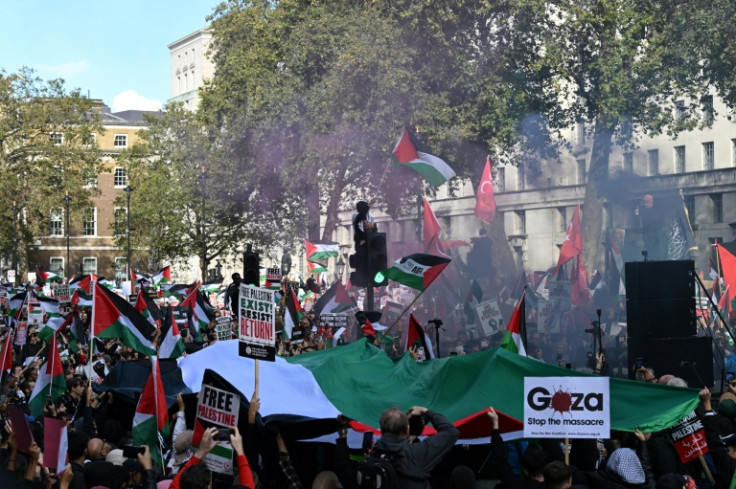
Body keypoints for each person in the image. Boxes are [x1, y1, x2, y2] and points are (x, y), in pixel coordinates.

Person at [368, 405, 459, 488]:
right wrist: (425, 411)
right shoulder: (415, 454)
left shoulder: (374, 453)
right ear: (407, 430)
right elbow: (451, 432)